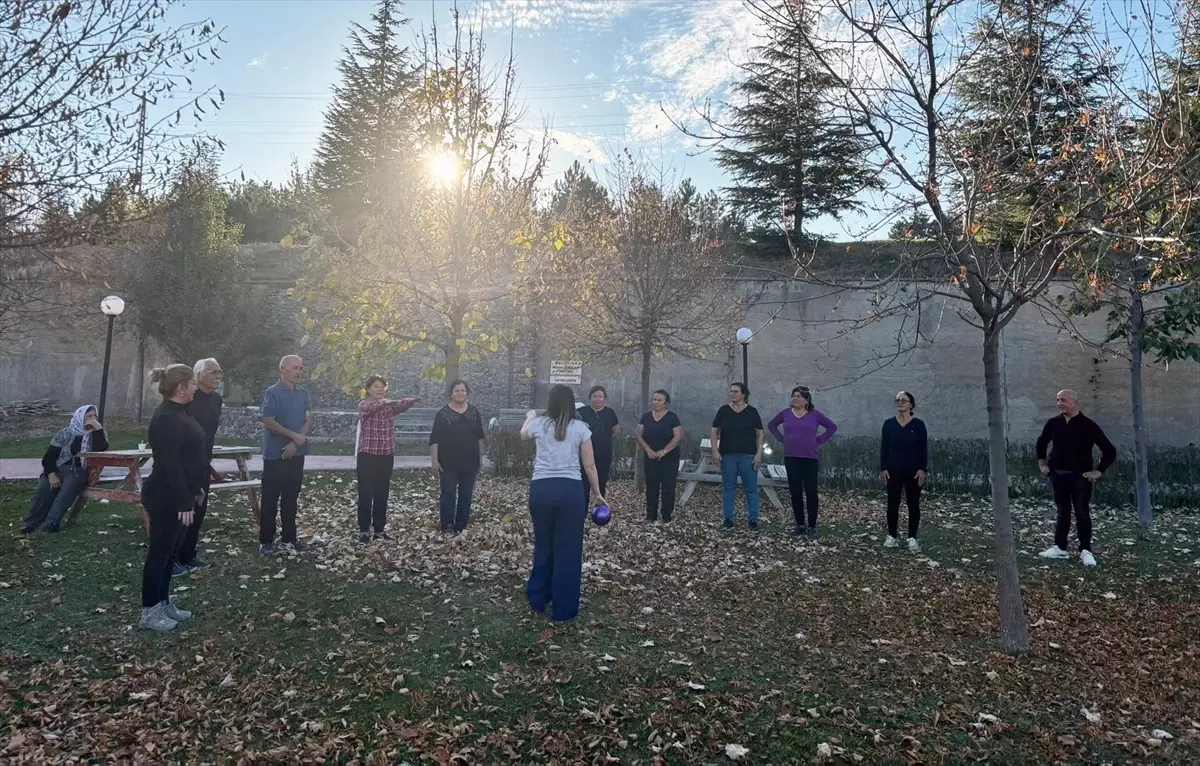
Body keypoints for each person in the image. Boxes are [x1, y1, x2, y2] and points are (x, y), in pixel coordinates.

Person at [520, 384, 605, 622]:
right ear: (571, 404)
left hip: (542, 491)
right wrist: (597, 492)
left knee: (544, 544)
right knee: (568, 550)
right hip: (570, 492)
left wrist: (529, 417)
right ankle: (564, 609)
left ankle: (538, 598)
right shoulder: (581, 428)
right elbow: (589, 465)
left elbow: (522, 434)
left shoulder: (538, 424)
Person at [139, 365, 207, 631]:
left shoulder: (179, 413)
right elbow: (170, 465)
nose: (194, 388)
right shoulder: (166, 418)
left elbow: (189, 458)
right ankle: (149, 611)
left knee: (170, 555)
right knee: (159, 554)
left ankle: (163, 603)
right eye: (191, 384)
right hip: (165, 497)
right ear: (181, 388)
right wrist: (183, 501)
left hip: (180, 494)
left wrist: (196, 489)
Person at [1035, 389, 1116, 566]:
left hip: (1080, 478)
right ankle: (1060, 548)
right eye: (1057, 400)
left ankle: (1086, 551)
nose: (1059, 404)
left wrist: (1098, 471)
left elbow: (1109, 450)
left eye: (1063, 400)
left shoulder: (1088, 425)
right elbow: (1041, 443)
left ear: (1074, 402)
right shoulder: (1053, 423)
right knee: (1062, 512)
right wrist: (1043, 464)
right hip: (1057, 475)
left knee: (1081, 513)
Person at [21, 405, 109, 534]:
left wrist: (98, 429)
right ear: (80, 417)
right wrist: (51, 474)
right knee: (44, 488)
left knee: (68, 488)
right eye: (89, 416)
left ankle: (51, 523)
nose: (93, 419)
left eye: (94, 416)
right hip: (58, 467)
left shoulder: (97, 434)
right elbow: (49, 456)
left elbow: (101, 450)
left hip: (79, 470)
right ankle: (31, 524)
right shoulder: (65, 433)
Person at [356, 374, 421, 543]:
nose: (379, 389)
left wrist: (412, 400)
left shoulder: (389, 407)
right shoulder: (364, 405)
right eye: (375, 386)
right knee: (366, 493)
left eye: (381, 386)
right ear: (368, 389)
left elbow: (401, 405)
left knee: (382, 493)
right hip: (368, 456)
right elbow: (372, 409)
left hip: (386, 455)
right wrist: (386, 402)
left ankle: (379, 530)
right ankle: (364, 530)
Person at [259, 354, 313, 557]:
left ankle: (290, 538)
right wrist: (292, 437)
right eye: (294, 368)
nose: (298, 372)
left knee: (291, 499)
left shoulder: (303, 393)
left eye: (300, 368)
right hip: (275, 456)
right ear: (282, 369)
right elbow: (268, 420)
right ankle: (266, 541)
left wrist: (295, 442)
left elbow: (309, 417)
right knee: (270, 500)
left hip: (297, 454)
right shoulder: (272, 393)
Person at [767, 386, 837, 540]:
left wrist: (818, 440)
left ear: (806, 400)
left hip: (810, 458)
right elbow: (771, 425)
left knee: (811, 492)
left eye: (799, 396)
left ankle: (812, 526)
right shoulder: (785, 414)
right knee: (795, 492)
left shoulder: (815, 415)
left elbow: (832, 427)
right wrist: (781, 439)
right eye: (793, 396)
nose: (795, 398)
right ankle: (800, 524)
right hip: (791, 456)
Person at [175, 358, 222, 575]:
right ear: (199, 374)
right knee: (181, 510)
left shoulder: (217, 400)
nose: (218, 376)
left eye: (219, 372)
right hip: (184, 463)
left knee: (199, 510)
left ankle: (189, 554)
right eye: (213, 372)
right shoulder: (188, 400)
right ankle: (173, 557)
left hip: (204, 462)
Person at [429, 379, 485, 534]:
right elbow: (434, 438)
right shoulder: (442, 414)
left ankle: (461, 525)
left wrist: (482, 457)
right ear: (451, 393)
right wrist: (434, 460)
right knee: (448, 494)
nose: (460, 393)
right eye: (457, 390)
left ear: (467, 393)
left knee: (466, 494)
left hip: (470, 461)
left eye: (463, 390)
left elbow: (480, 436)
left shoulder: (474, 412)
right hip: (448, 462)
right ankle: (447, 525)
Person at [711, 382, 764, 531]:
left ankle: (753, 520)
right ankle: (728, 518)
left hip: (748, 456)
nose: (732, 394)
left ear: (743, 394)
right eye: (731, 391)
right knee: (728, 488)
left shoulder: (752, 412)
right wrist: (715, 451)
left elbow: (760, 433)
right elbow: (714, 431)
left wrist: (759, 453)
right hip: (728, 456)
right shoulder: (723, 411)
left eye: (735, 391)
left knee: (751, 488)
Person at [880, 390, 928, 552]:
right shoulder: (888, 424)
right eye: (897, 400)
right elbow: (884, 448)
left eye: (903, 400)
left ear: (911, 405)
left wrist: (922, 469)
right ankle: (892, 536)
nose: (900, 402)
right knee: (892, 504)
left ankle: (912, 537)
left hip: (913, 471)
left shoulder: (919, 425)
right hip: (893, 470)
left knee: (913, 504)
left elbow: (923, 449)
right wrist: (883, 468)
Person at [636, 390, 683, 523]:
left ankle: (666, 516)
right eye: (654, 399)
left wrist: (665, 451)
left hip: (669, 458)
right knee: (651, 487)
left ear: (666, 403)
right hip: (650, 458)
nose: (655, 402)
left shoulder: (672, 417)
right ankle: (651, 516)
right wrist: (648, 449)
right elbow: (639, 435)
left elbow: (677, 436)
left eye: (659, 400)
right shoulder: (645, 417)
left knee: (668, 487)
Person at [577, 386, 620, 509]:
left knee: (601, 482)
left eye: (600, 396)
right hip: (583, 454)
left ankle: (600, 509)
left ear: (604, 399)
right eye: (594, 396)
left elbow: (616, 431)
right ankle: (583, 510)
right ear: (590, 397)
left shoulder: (610, 412)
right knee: (583, 483)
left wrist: (604, 439)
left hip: (603, 453)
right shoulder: (582, 411)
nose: (597, 399)